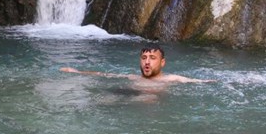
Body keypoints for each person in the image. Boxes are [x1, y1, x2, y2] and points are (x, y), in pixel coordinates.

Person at [60, 45, 214, 83]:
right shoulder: (132, 77)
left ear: (163, 62)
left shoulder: (173, 79)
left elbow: (198, 82)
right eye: (144, 57)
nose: (147, 62)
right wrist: (76, 71)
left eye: (152, 58)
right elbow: (104, 74)